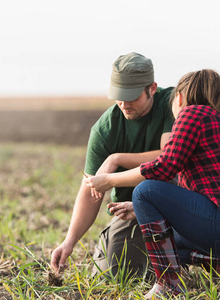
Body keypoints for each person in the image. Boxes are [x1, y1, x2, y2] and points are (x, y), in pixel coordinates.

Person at [85, 69, 220, 298]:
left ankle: (168, 285)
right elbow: (199, 200)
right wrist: (139, 209)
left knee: (145, 191)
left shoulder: (193, 114)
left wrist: (110, 179)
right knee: (166, 244)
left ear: (178, 98)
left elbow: (163, 166)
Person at [50, 52, 174, 279]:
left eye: (132, 96)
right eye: (119, 96)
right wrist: (69, 242)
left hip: (181, 201)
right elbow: (91, 191)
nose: (124, 104)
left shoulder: (172, 103)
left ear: (152, 88)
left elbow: (171, 156)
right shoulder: (104, 129)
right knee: (113, 273)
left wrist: (116, 158)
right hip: (134, 212)